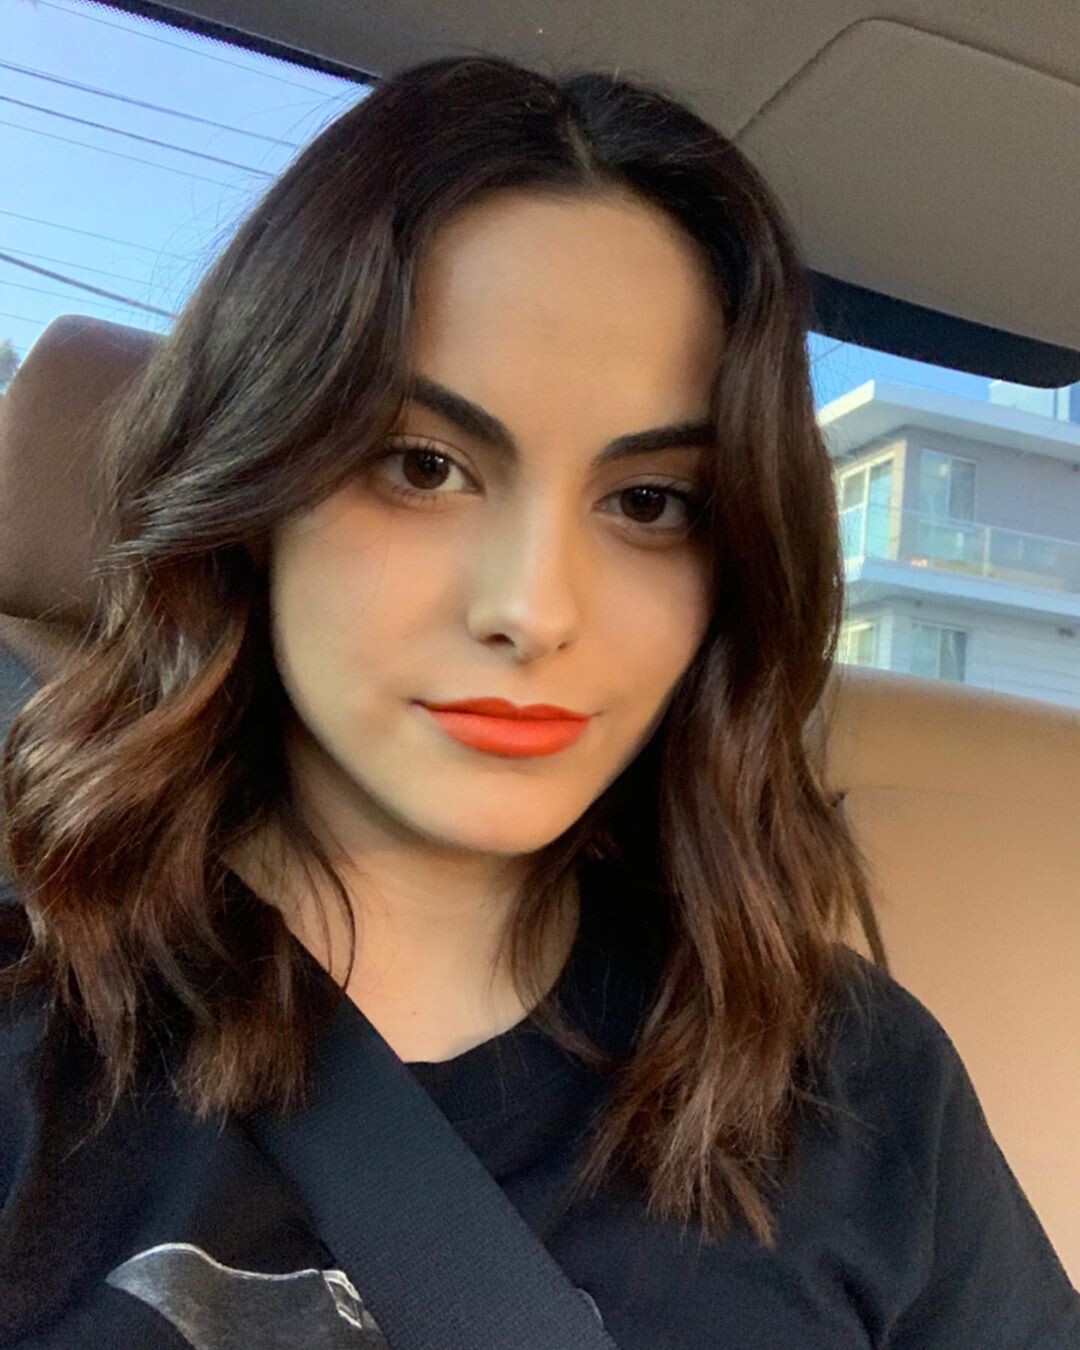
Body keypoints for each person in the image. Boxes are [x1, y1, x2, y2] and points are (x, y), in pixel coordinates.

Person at [1, 54, 1077, 1350]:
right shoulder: (31, 1020)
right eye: (423, 466)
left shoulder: (856, 1079)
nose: (535, 607)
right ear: (255, 491)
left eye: (650, 502)